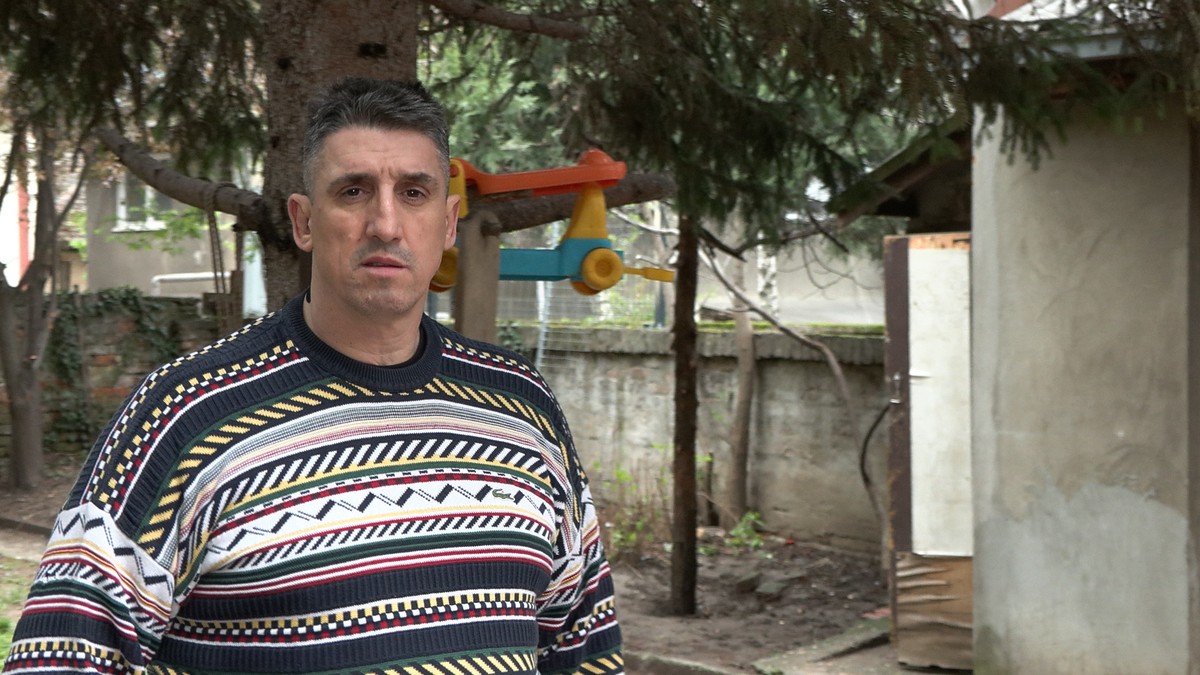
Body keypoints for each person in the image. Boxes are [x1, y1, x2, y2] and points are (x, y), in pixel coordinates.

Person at [3, 77, 623, 675]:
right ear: (303, 221)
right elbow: (59, 655)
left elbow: (582, 647)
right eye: (353, 191)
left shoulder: (523, 407)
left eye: (414, 193)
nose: (386, 223)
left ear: (448, 221)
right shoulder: (186, 413)